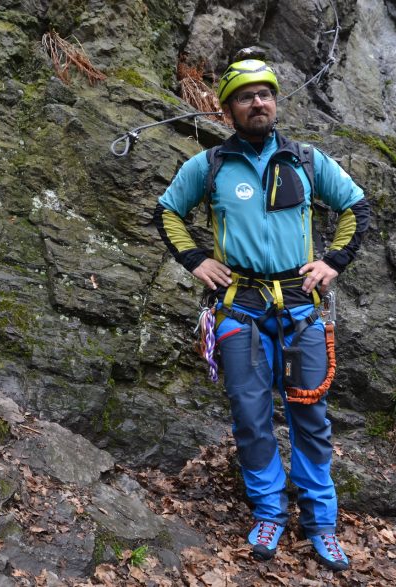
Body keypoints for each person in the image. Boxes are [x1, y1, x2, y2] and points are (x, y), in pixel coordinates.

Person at [153, 53, 370, 571]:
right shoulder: (209, 166)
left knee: (310, 418)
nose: (258, 103)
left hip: (301, 309)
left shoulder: (307, 161)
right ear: (228, 109)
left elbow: (356, 207)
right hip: (240, 310)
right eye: (246, 97)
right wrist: (196, 260)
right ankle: (269, 511)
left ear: (275, 102)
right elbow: (167, 212)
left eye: (265, 94)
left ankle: (321, 523)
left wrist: (333, 262)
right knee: (251, 419)